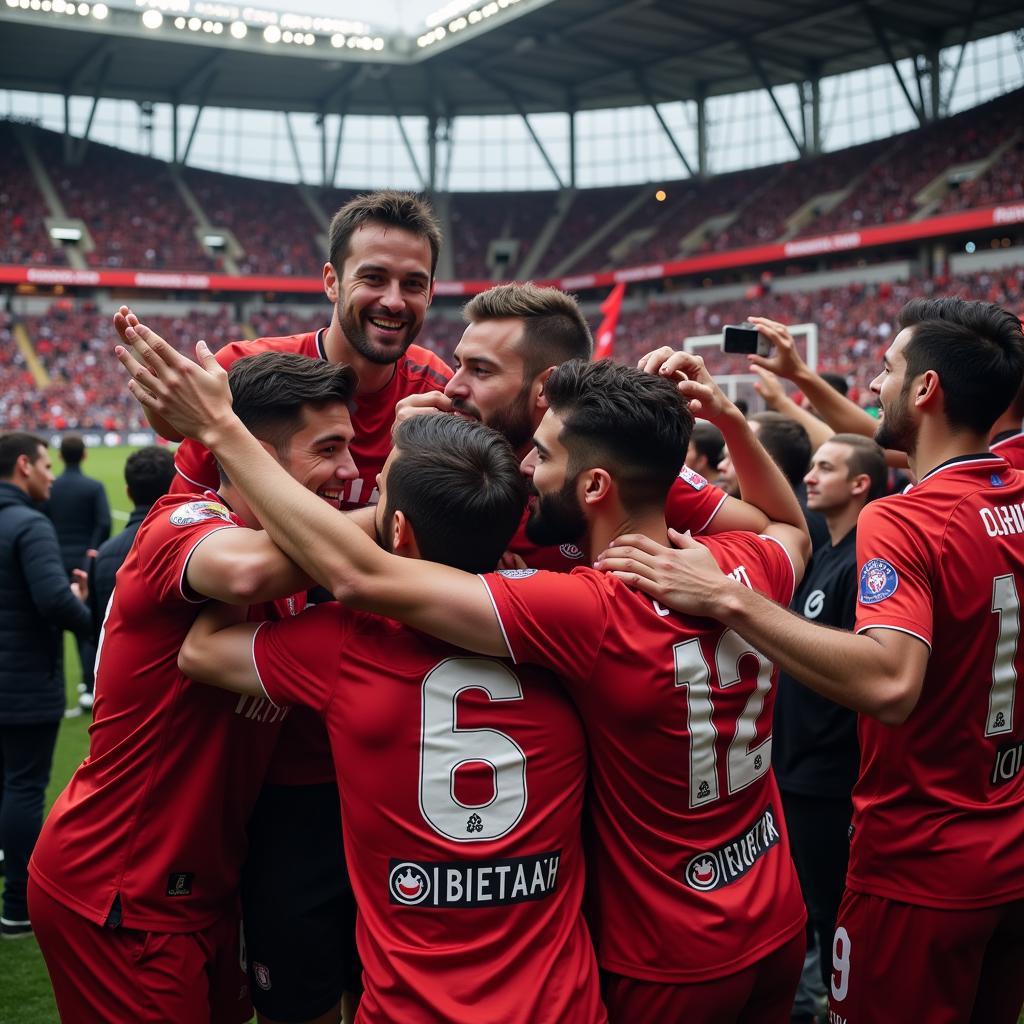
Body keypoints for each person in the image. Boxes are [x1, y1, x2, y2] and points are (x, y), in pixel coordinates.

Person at [117, 327, 812, 1024]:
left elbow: (322, 592)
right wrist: (725, 416)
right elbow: (793, 528)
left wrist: (219, 440)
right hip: (756, 910)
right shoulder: (737, 564)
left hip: (661, 951)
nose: (533, 467)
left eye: (542, 454)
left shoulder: (572, 610)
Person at [597, 298, 1024, 1024]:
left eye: (887, 372)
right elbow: (895, 442)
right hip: (1008, 848)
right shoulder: (1011, 479)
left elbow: (890, 681)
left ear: (925, 391)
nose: (874, 388)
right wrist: (753, 406)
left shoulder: (902, 517)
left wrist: (725, 598)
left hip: (917, 863)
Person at [116, 189, 453, 1024]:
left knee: (398, 983)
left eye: (414, 284)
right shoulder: (248, 378)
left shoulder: (439, 391)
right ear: (332, 279)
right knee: (298, 991)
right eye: (374, 277)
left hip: (400, 747)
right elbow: (209, 544)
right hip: (283, 752)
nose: (393, 300)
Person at [177, 414, 605, 1023]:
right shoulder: (571, 619)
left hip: (412, 1008)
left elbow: (201, 648)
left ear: (396, 530)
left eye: (379, 496)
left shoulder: (341, 644)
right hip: (561, 1005)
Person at [28, 353, 359, 1023]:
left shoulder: (297, 567)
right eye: (330, 449)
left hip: (203, 890)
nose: (352, 472)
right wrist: (405, 518)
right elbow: (242, 575)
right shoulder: (181, 526)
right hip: (120, 886)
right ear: (256, 457)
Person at [397, 283, 805, 570]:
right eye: (457, 364)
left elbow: (774, 528)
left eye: (480, 371)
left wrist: (703, 568)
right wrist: (401, 467)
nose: (452, 386)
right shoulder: (446, 467)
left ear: (546, 387)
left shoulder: (621, 464)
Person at [771, 433, 887, 1020]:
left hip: (828, 778)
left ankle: (830, 1003)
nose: (810, 477)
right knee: (812, 903)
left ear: (861, 484)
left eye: (825, 468)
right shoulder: (827, 553)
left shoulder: (866, 558)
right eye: (811, 466)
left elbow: (863, 676)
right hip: (794, 771)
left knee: (832, 907)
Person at [0, 432, 91, 939]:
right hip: (25, 682)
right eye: (45, 465)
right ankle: (17, 905)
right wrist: (85, 608)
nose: (51, 475)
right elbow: (54, 602)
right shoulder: (29, 524)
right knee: (24, 788)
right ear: (23, 466)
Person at [45, 433, 111, 709]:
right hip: (85, 564)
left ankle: (53, 684)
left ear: (59, 457)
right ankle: (88, 686)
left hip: (52, 561)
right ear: (85, 455)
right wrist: (92, 552)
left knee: (53, 624)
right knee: (86, 624)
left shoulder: (50, 487)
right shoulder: (93, 487)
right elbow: (104, 522)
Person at [86, 445, 176, 637]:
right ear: (174, 487)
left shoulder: (104, 554)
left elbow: (98, 630)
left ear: (128, 492)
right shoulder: (188, 545)